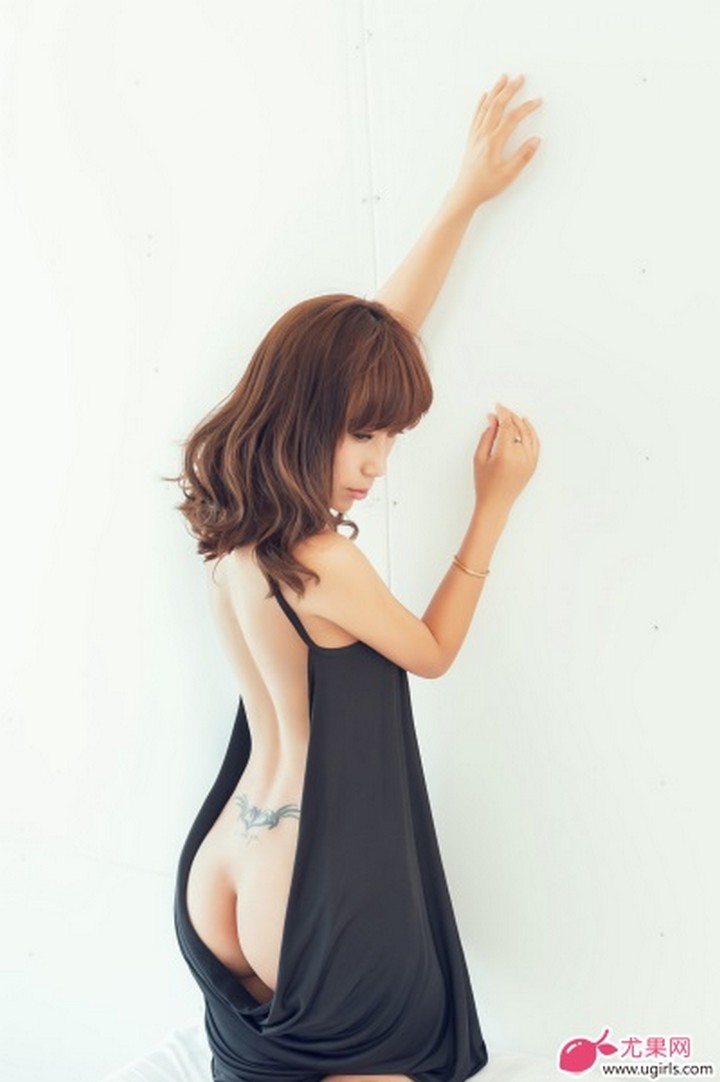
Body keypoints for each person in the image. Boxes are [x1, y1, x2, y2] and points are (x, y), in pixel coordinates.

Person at [170, 73, 542, 1082]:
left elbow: (364, 344)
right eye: (365, 435)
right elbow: (432, 652)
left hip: (227, 863)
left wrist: (463, 197)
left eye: (390, 437)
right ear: (309, 419)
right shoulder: (324, 559)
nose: (378, 463)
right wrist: (493, 503)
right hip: (314, 877)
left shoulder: (233, 529)